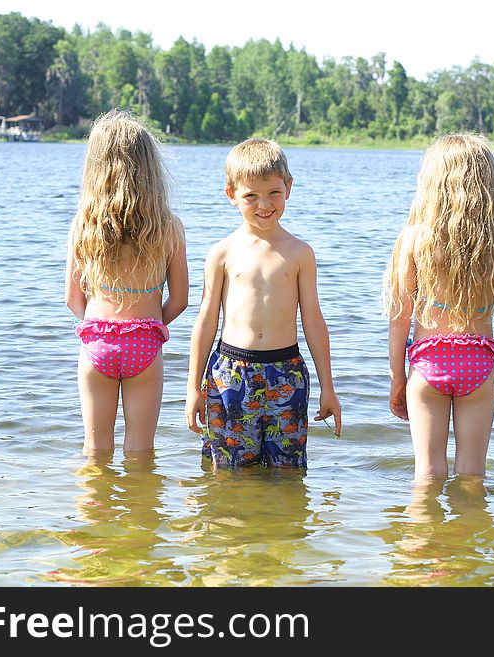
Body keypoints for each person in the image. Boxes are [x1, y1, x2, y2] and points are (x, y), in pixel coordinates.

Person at [184, 138, 341, 468]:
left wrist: (329, 387)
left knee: (288, 472)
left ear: (289, 188)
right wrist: (193, 388)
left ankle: (281, 520)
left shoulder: (300, 253)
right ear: (231, 195)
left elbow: (313, 320)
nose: (264, 204)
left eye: (273, 193)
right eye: (251, 196)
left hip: (287, 373)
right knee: (227, 471)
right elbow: (206, 320)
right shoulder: (222, 253)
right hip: (230, 373)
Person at [384, 133, 494, 480]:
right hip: (478, 366)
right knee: (472, 474)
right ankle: (470, 531)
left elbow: (400, 317)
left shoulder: (415, 238)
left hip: (429, 363)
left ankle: (420, 534)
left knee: (428, 472)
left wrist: (397, 379)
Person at [65, 109, 188, 454]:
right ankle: (141, 507)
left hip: (97, 341)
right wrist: (145, 329)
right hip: (144, 344)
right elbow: (180, 300)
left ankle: (91, 508)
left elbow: (73, 300)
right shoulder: (169, 227)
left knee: (95, 448)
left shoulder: (83, 224)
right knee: (140, 450)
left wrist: (101, 327)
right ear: (150, 168)